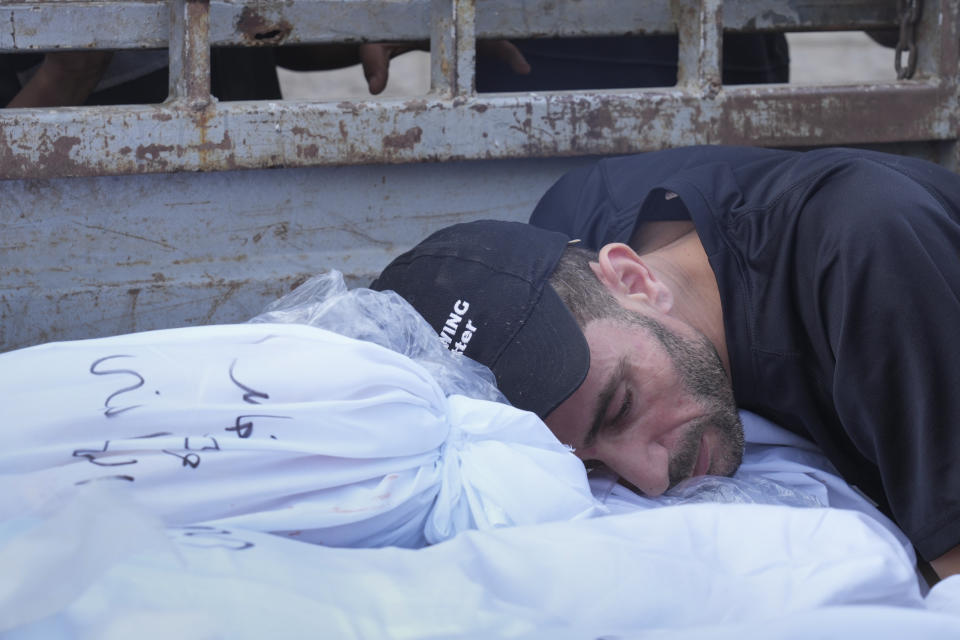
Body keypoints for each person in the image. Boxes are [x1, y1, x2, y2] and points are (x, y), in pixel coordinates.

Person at [371, 145, 960, 581]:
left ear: (633, 277)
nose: (651, 480)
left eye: (622, 406)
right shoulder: (581, 213)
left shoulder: (868, 261)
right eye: (592, 465)